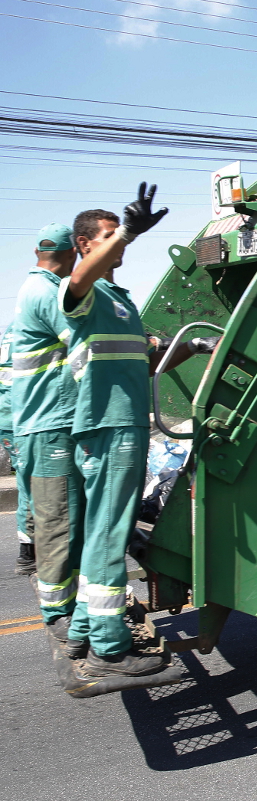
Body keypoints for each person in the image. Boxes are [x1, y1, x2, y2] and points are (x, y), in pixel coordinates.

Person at [63, 185, 214, 678]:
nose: (118, 245)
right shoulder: (83, 292)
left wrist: (199, 346)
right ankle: (110, 649)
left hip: (123, 425)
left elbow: (150, 355)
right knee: (110, 532)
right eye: (107, 237)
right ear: (85, 245)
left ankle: (86, 629)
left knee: (103, 532)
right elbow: (80, 277)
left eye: (118, 236)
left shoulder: (117, 298)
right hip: (109, 426)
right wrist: (129, 229)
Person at [10, 223, 85, 654]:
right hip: (51, 424)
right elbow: (85, 347)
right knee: (59, 522)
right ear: (74, 252)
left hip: (41, 424)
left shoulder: (29, 287)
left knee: (56, 520)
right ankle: (59, 617)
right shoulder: (48, 294)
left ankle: (64, 608)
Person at [0, 325, 35, 575]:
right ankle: (29, 552)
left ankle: (29, 548)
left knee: (26, 481)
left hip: (8, 417)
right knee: (34, 484)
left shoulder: (13, 327)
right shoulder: (40, 321)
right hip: (24, 418)